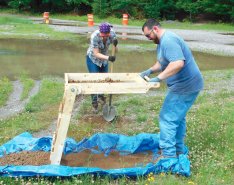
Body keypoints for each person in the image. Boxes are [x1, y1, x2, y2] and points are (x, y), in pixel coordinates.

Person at [140, 19, 204, 160]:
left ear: (155, 29)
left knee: (167, 119)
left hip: (185, 86)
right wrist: (150, 71)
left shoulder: (168, 40)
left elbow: (178, 63)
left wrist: (159, 78)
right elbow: (162, 61)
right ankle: (179, 150)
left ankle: (168, 156)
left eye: (148, 35)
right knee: (178, 118)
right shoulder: (162, 42)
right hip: (188, 85)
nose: (148, 38)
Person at [86, 22, 118, 113]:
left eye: (106, 35)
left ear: (109, 33)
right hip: (93, 59)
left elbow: (116, 50)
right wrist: (109, 58)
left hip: (104, 59)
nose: (104, 37)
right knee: (94, 79)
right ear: (100, 32)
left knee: (104, 79)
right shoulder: (95, 36)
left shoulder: (112, 34)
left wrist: (115, 45)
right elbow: (96, 54)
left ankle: (101, 97)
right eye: (102, 35)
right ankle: (94, 104)